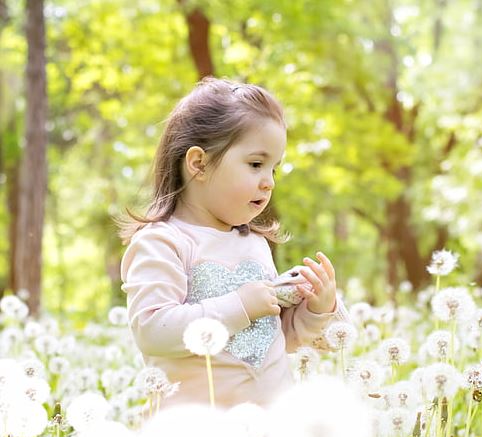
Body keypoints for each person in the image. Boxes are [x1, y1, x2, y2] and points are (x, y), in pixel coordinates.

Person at [119, 78, 349, 408]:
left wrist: (316, 309)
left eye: (274, 169)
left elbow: (274, 339)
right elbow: (153, 330)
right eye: (256, 164)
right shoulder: (162, 243)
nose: (268, 182)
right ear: (199, 164)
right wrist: (239, 306)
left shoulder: (254, 244)